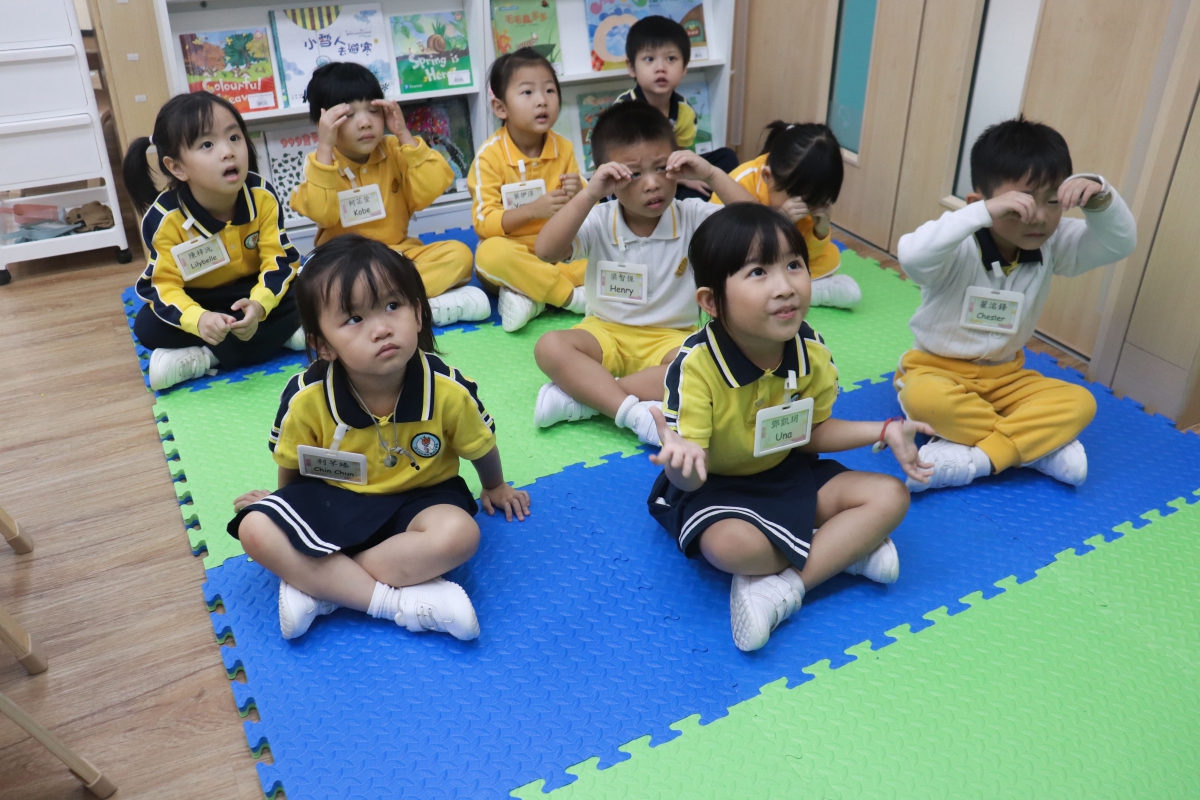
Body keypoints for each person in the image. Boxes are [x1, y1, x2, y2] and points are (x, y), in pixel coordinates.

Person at [647, 203, 932, 651]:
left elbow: (811, 434)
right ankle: (842, 550)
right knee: (731, 548)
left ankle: (785, 587)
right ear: (712, 302)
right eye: (758, 272)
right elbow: (691, 475)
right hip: (716, 486)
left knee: (891, 496)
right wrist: (680, 463)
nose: (785, 287)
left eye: (794, 265)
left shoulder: (811, 350)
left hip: (788, 470)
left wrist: (883, 430)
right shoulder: (697, 367)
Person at [228, 234, 530, 641]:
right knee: (253, 528)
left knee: (461, 535)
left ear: (418, 314)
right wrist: (284, 506)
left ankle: (324, 587)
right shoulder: (305, 397)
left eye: (392, 306)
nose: (382, 328)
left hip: (423, 499)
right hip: (337, 497)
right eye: (354, 319)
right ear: (322, 346)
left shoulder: (447, 388)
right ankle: (394, 603)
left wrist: (494, 485)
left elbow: (481, 444)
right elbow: (293, 464)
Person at [894, 117, 1137, 492]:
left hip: (1006, 377)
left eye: (1053, 201)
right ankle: (1035, 448)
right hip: (936, 370)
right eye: (1020, 205)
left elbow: (1119, 243)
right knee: (923, 399)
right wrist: (979, 214)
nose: (1039, 216)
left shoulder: (1054, 244)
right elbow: (911, 255)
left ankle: (979, 457)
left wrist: (1101, 198)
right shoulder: (957, 244)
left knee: (1080, 402)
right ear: (981, 205)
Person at [531, 102, 755, 445]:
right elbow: (546, 251)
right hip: (605, 333)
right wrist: (590, 193)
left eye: (662, 167)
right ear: (609, 177)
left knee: (713, 364)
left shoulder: (693, 216)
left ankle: (588, 398)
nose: (652, 183)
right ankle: (633, 414)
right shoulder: (600, 219)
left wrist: (711, 174)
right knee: (549, 346)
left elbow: (756, 228)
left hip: (671, 338)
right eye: (634, 174)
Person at [124, 92, 302, 391]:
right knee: (148, 325)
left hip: (250, 292)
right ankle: (278, 339)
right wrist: (200, 319)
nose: (228, 152)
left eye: (234, 137)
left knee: (311, 287)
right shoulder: (165, 219)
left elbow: (279, 261)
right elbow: (163, 287)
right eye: (207, 145)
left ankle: (208, 357)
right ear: (177, 167)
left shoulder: (261, 196)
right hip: (200, 299)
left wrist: (259, 306)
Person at [290, 62, 488, 327]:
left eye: (373, 111)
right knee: (316, 283)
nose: (365, 123)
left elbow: (431, 188)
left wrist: (404, 134)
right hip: (345, 266)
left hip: (396, 257)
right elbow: (322, 214)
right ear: (324, 123)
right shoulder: (320, 163)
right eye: (349, 115)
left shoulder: (395, 148)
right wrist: (325, 147)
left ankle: (375, 308)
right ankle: (415, 306)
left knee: (459, 255)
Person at [468, 48, 588, 332]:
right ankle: (570, 297)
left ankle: (533, 298)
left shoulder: (564, 148)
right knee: (489, 255)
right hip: (513, 252)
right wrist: (533, 210)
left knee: (608, 249)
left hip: (557, 249)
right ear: (501, 108)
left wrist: (580, 193)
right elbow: (484, 222)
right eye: (527, 92)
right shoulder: (489, 156)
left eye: (549, 90)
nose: (542, 100)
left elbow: (586, 211)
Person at [713, 122, 860, 309]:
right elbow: (718, 242)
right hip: (738, 255)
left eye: (815, 200)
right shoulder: (740, 181)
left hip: (778, 261)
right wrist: (779, 221)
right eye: (797, 197)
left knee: (831, 261)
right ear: (767, 176)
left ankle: (787, 293)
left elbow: (806, 254)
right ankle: (804, 293)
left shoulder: (809, 198)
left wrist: (820, 232)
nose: (804, 205)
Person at [614, 15, 739, 200]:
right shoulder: (623, 110)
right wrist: (682, 180)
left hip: (670, 173)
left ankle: (692, 200)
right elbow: (621, 163)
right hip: (634, 178)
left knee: (726, 157)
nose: (661, 67)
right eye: (649, 59)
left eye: (671, 58)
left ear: (684, 67)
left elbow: (679, 154)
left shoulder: (685, 111)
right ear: (632, 67)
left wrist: (683, 176)